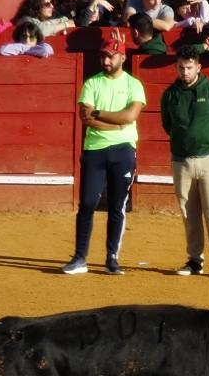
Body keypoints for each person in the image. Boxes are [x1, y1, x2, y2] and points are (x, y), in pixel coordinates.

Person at [62, 33, 146, 275]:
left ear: (122, 56)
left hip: (123, 150)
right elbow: (86, 118)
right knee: (87, 203)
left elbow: (130, 117)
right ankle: (80, 258)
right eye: (103, 57)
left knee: (117, 206)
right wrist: (115, 123)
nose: (106, 61)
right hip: (95, 150)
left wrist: (99, 114)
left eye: (111, 57)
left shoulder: (133, 84)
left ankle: (112, 257)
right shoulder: (92, 83)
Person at [161, 45, 209, 279]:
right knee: (189, 213)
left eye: (189, 68)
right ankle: (195, 260)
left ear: (198, 67)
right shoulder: (170, 94)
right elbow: (168, 126)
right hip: (181, 161)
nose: (184, 72)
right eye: (181, 68)